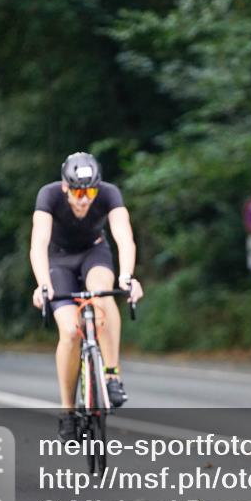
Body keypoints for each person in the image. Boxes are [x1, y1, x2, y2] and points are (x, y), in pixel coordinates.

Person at [29, 152, 143, 441]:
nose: (84, 199)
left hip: (94, 253)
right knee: (69, 332)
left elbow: (123, 237)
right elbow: (38, 244)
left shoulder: (109, 194)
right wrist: (43, 284)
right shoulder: (49, 196)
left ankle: (112, 374)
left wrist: (127, 277)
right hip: (59, 261)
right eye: (77, 191)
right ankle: (68, 411)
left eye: (90, 191)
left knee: (102, 293)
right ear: (66, 187)